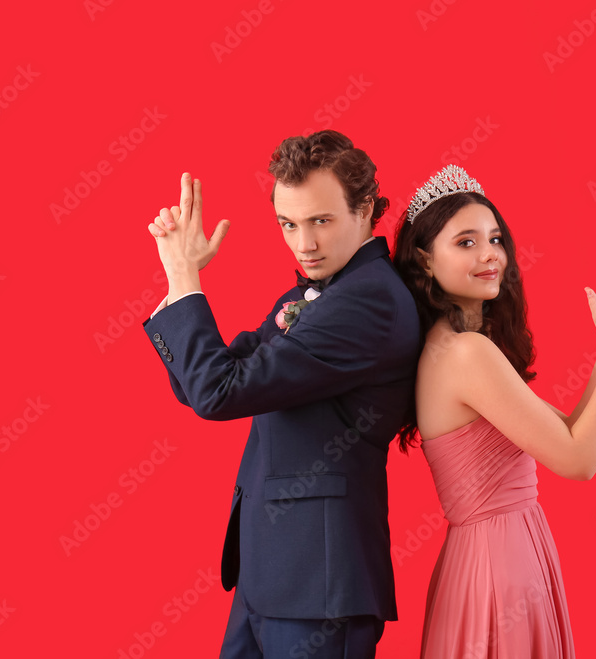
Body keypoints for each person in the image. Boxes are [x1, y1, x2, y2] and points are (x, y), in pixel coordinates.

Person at [142, 130, 420, 658]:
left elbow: (217, 394)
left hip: (319, 586)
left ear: (366, 210)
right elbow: (208, 380)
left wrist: (185, 274)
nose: (303, 244)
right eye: (288, 224)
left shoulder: (369, 302)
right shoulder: (316, 295)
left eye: (320, 221)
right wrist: (180, 284)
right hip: (270, 573)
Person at [392, 165, 596, 658]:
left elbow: (569, 429)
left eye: (494, 238)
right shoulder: (465, 353)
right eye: (465, 242)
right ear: (425, 260)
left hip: (498, 556)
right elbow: (580, 460)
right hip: (499, 567)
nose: (490, 253)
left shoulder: (458, 347)